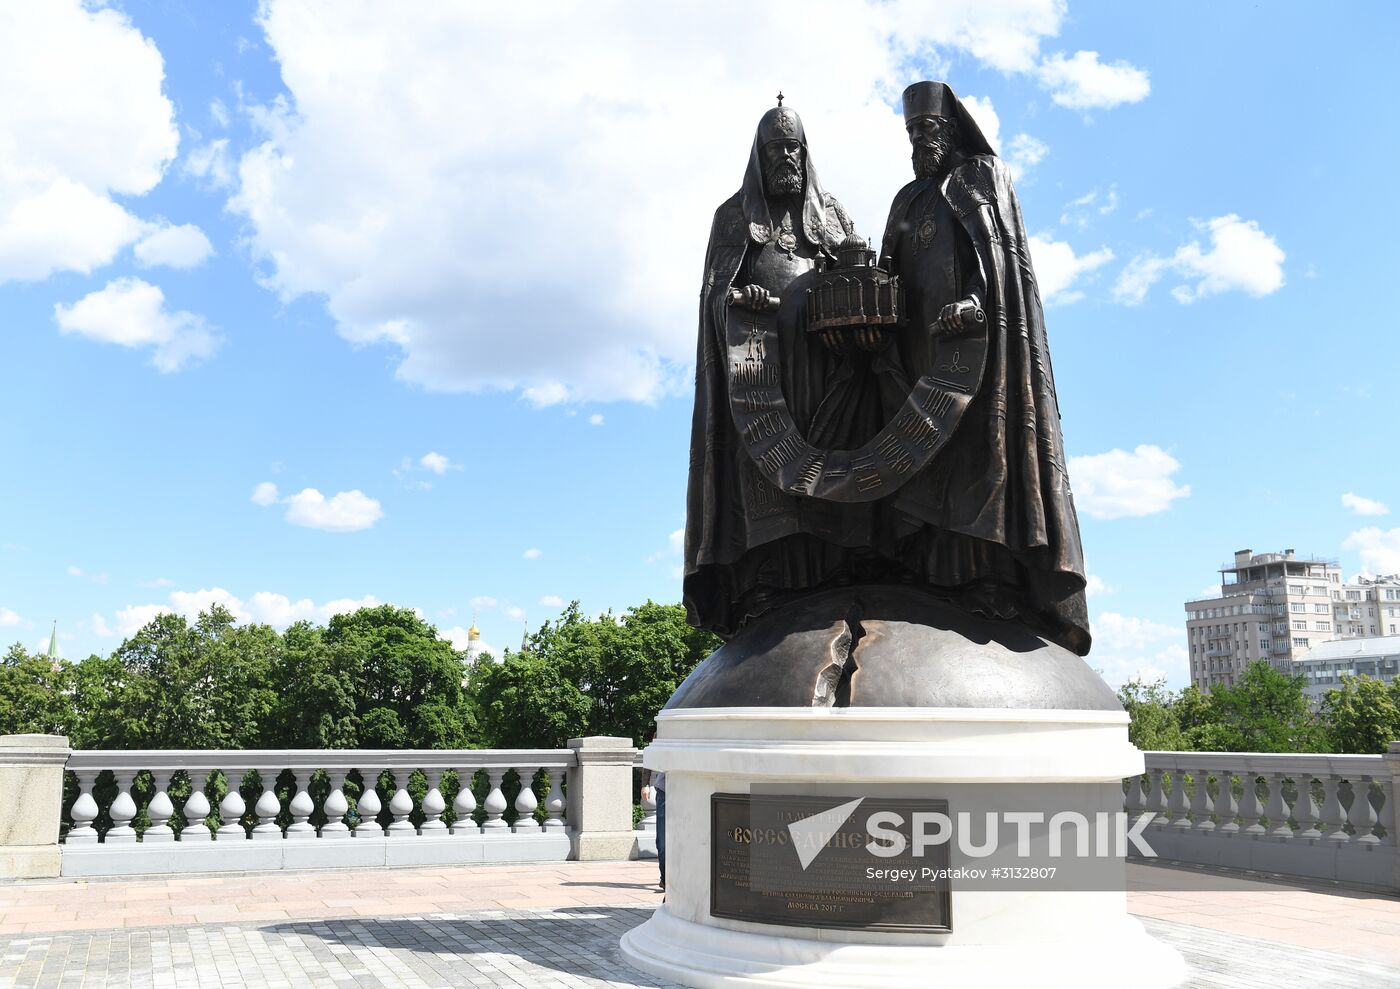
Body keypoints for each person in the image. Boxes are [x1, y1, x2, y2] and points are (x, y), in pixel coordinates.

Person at [874, 81, 1090, 654]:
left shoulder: (980, 179)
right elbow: (887, 271)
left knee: (980, 459)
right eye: (912, 133)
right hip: (917, 360)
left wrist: (974, 301)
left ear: (950, 132)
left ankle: (989, 580)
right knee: (922, 463)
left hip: (979, 355)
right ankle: (927, 571)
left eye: (927, 131)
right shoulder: (906, 200)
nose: (919, 141)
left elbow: (998, 258)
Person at [683, 99, 872, 638]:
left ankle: (838, 571)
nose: (786, 156)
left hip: (829, 371)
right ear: (760, 157)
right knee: (767, 477)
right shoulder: (733, 216)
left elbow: (862, 268)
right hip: (762, 375)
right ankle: (769, 585)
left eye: (794, 147)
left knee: (832, 467)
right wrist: (741, 298)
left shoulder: (831, 213)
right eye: (776, 149)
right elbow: (715, 295)